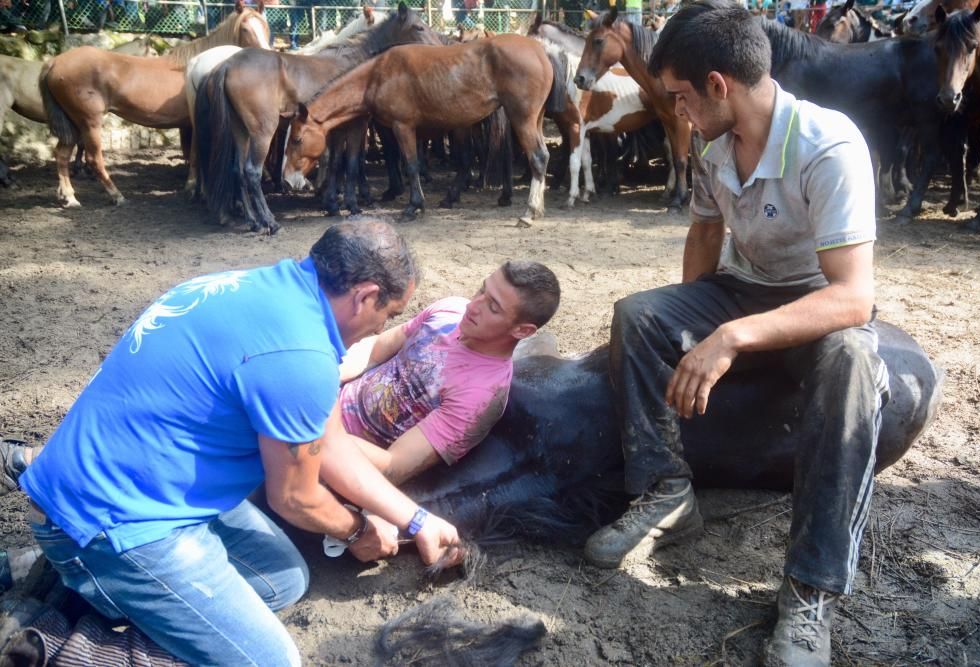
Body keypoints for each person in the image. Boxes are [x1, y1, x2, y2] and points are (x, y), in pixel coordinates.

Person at [581, 2, 888, 666]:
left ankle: (810, 589)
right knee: (639, 313)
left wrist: (730, 337)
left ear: (718, 86)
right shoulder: (716, 149)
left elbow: (854, 296)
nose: (678, 111)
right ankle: (666, 490)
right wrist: (690, 320)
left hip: (815, 298)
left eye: (682, 97)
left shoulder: (827, 145)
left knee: (852, 361)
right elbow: (705, 232)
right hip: (742, 288)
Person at [9, 220, 465, 666]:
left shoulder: (258, 289)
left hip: (134, 485)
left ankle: (55, 578)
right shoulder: (300, 358)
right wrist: (358, 532)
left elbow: (329, 443)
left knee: (282, 581)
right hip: (112, 524)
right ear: (365, 295)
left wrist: (417, 520)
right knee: (269, 659)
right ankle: (54, 644)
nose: (380, 327)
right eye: (388, 313)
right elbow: (294, 499)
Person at [331, 261, 561, 487]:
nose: (473, 306)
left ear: (522, 330)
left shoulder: (481, 396)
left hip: (342, 462)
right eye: (482, 289)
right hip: (327, 404)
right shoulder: (450, 311)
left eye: (493, 307)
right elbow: (374, 349)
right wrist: (324, 378)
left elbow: (393, 466)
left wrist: (318, 430)